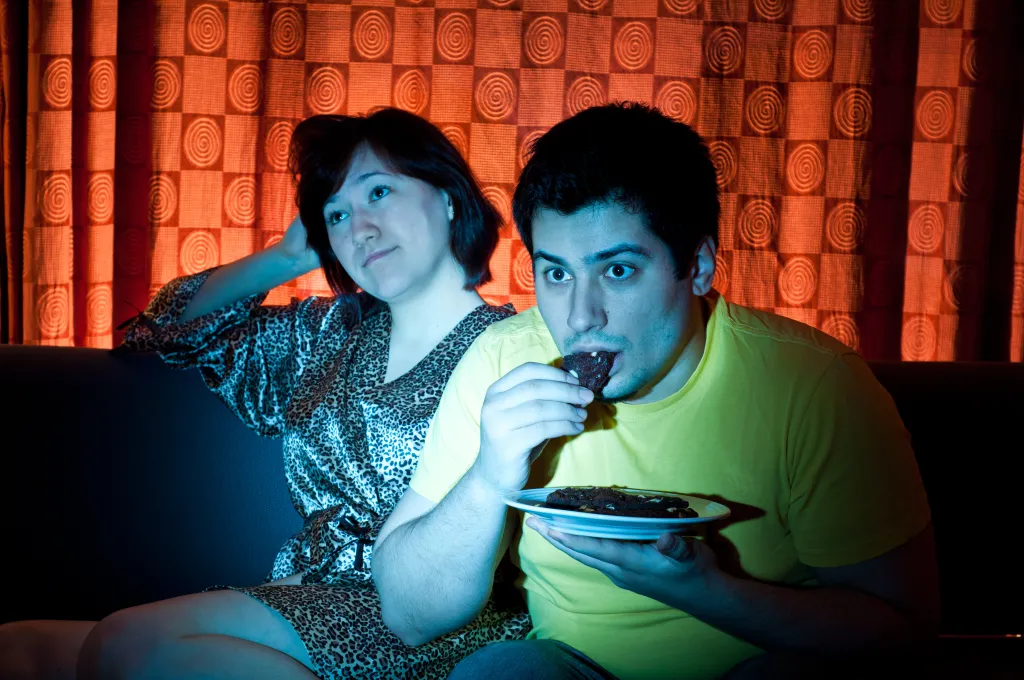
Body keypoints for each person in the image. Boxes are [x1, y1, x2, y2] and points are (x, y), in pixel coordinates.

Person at [371, 103, 940, 680]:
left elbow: (905, 637)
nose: (580, 317)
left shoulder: (816, 386)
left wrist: (708, 590)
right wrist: (489, 478)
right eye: (557, 274)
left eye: (617, 271)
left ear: (696, 266)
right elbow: (408, 615)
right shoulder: (503, 361)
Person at [0, 108, 529, 680]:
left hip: (440, 621)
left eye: (379, 191)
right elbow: (162, 331)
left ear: (449, 197)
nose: (360, 228)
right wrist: (289, 257)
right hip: (309, 595)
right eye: (337, 215)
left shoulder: (510, 350)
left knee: (128, 643)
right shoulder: (327, 335)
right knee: (21, 647)